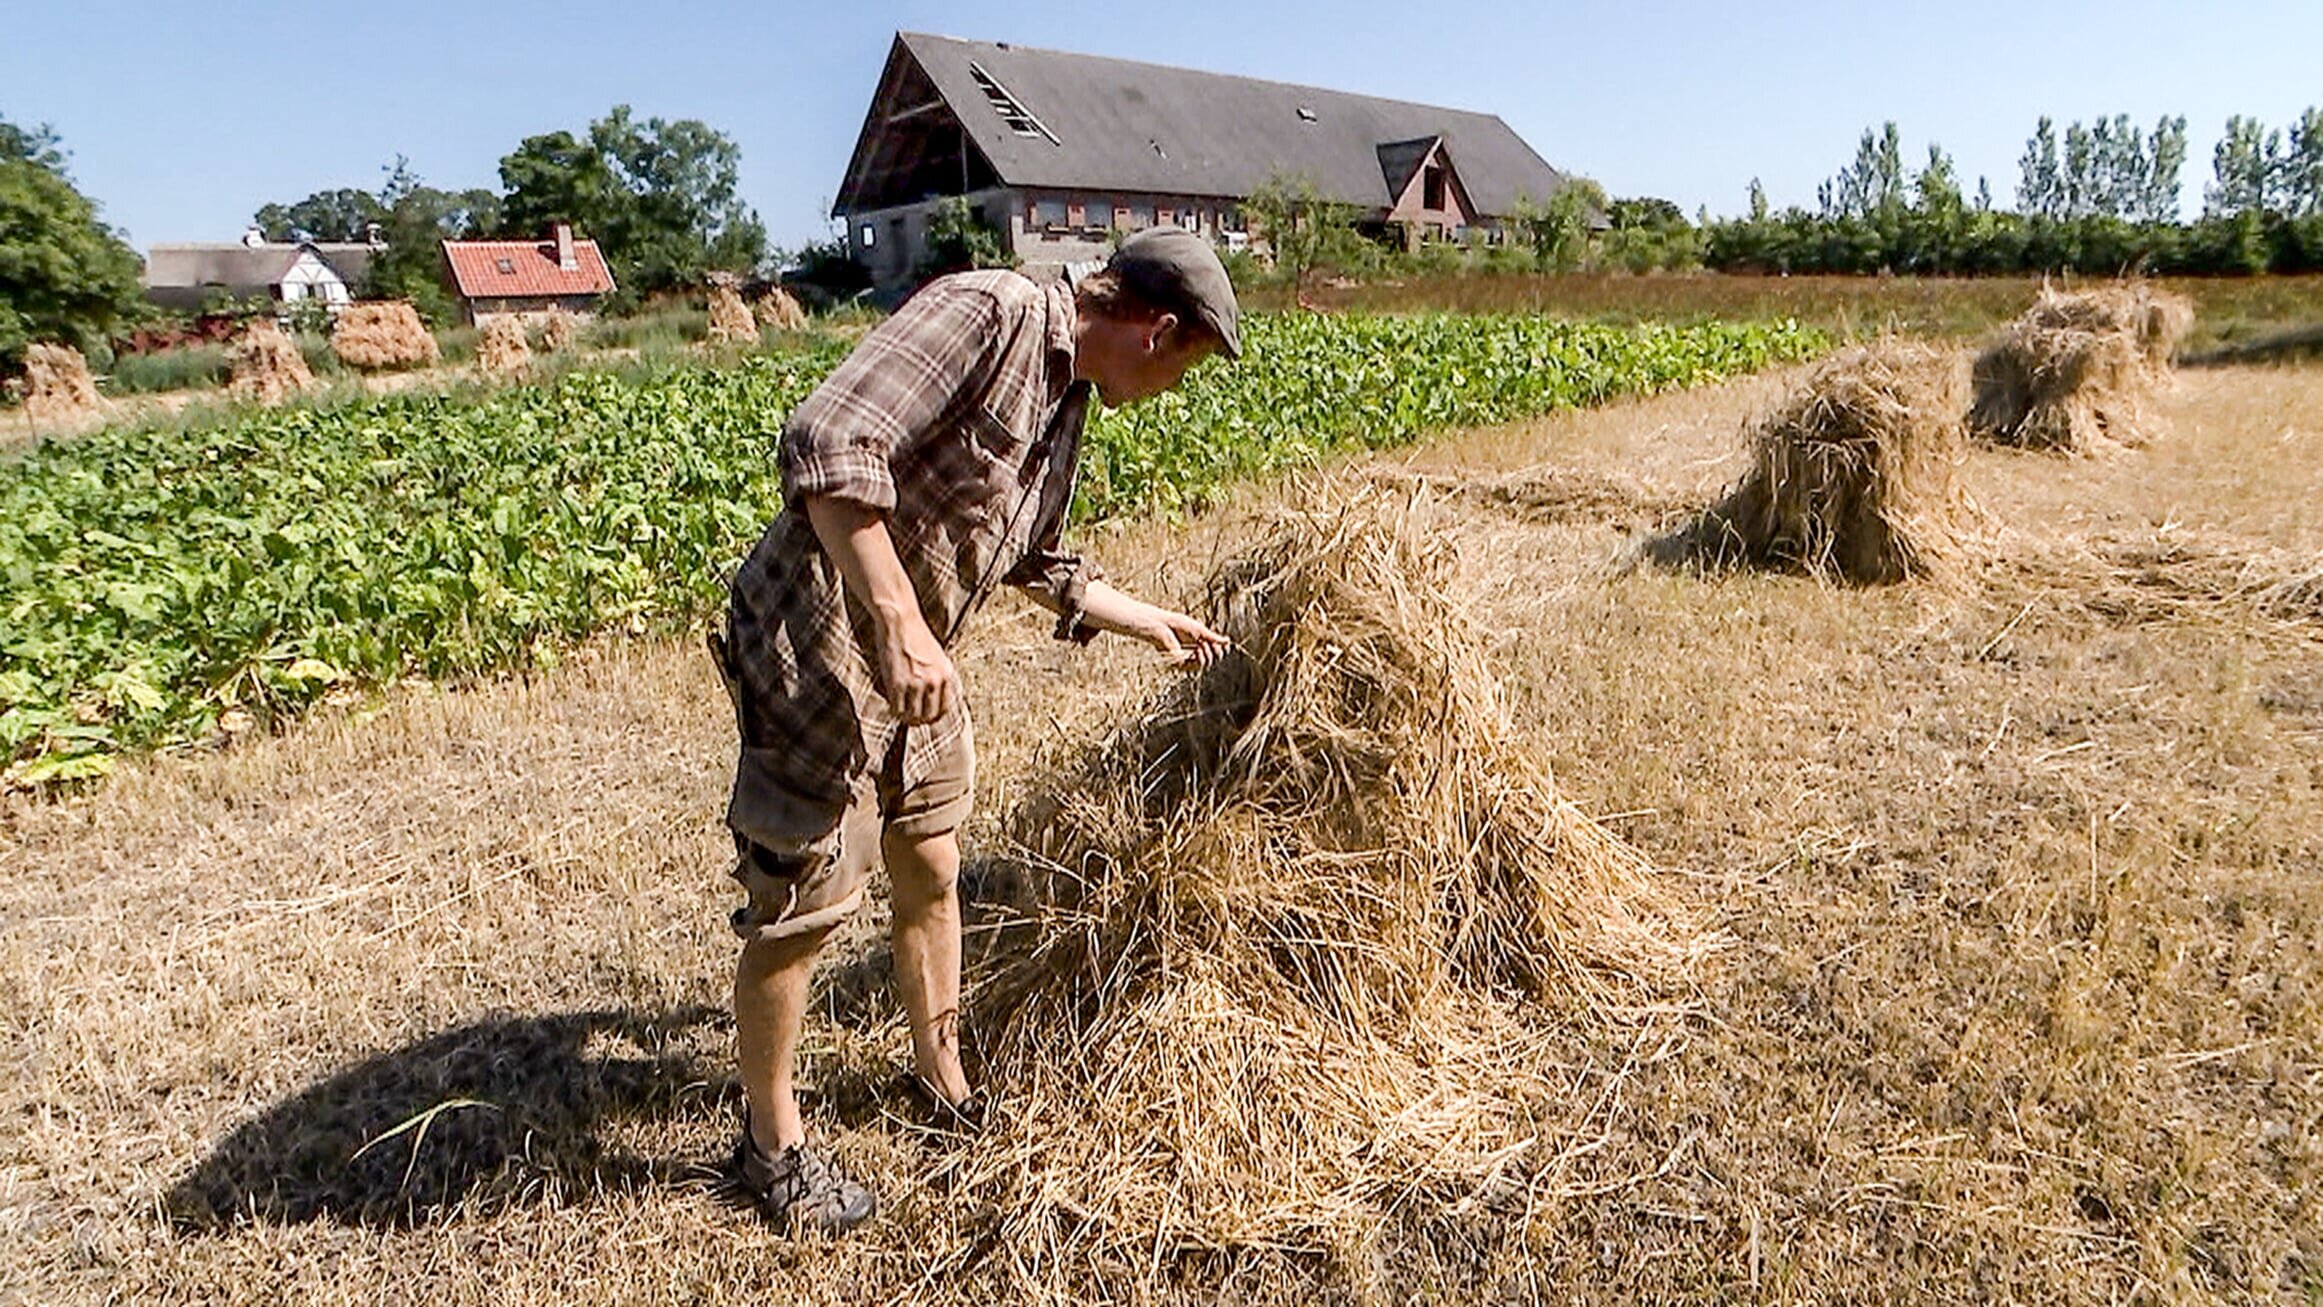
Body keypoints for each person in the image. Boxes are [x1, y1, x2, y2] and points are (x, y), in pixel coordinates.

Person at [709, 228, 1242, 1233]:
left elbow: (1027, 550)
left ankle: (940, 1073)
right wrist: (897, 620)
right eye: (1185, 370)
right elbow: (827, 439)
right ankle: (770, 1147)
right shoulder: (989, 312)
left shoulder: (1066, 394)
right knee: (805, 903)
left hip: (920, 660)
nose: (1175, 392)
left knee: (934, 857)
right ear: (1157, 329)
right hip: (819, 640)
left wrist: (1141, 618)